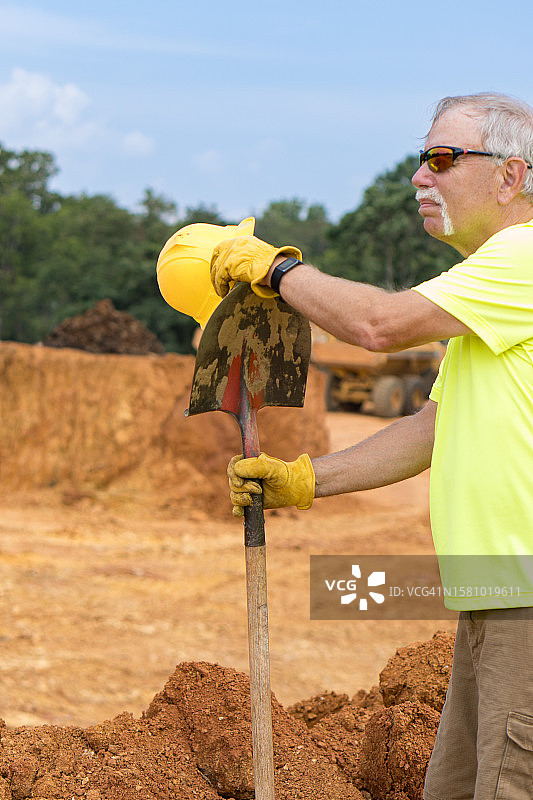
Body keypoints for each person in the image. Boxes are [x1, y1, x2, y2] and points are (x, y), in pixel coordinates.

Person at [207, 93, 533, 799]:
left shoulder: (523, 256)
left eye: (441, 159)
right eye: (422, 160)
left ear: (510, 176)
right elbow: (430, 430)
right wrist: (303, 480)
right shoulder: (485, 296)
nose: (419, 177)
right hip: (495, 592)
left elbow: (378, 325)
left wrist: (277, 272)